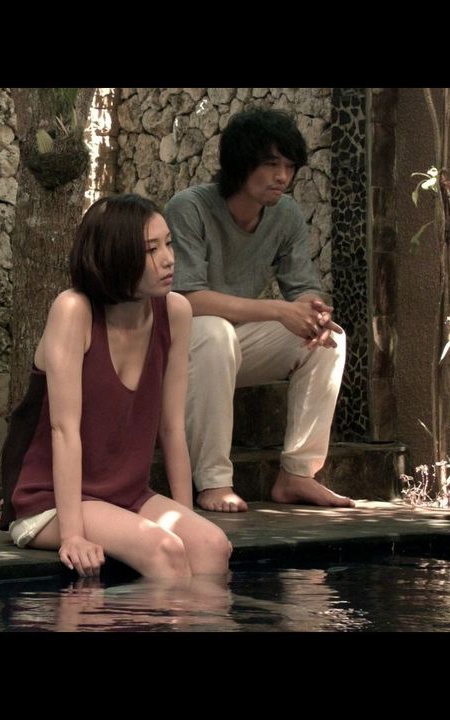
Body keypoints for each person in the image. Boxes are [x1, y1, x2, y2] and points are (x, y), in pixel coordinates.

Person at [0, 194, 231, 579]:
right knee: (165, 551)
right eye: (151, 250)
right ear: (115, 256)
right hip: (50, 502)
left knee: (211, 546)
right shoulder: (74, 311)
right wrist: (73, 536)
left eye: (168, 244)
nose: (168, 259)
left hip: (128, 496)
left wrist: (186, 517)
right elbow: (63, 429)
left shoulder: (175, 312)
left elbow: (172, 428)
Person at [165, 105, 355, 513]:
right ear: (241, 163)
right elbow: (186, 299)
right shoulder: (190, 208)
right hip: (180, 349)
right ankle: (213, 481)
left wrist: (314, 313)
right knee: (213, 331)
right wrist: (278, 310)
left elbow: (302, 287)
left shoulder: (286, 215)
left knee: (330, 341)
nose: (282, 176)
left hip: (234, 346)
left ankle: (297, 474)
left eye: (289, 166)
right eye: (271, 164)